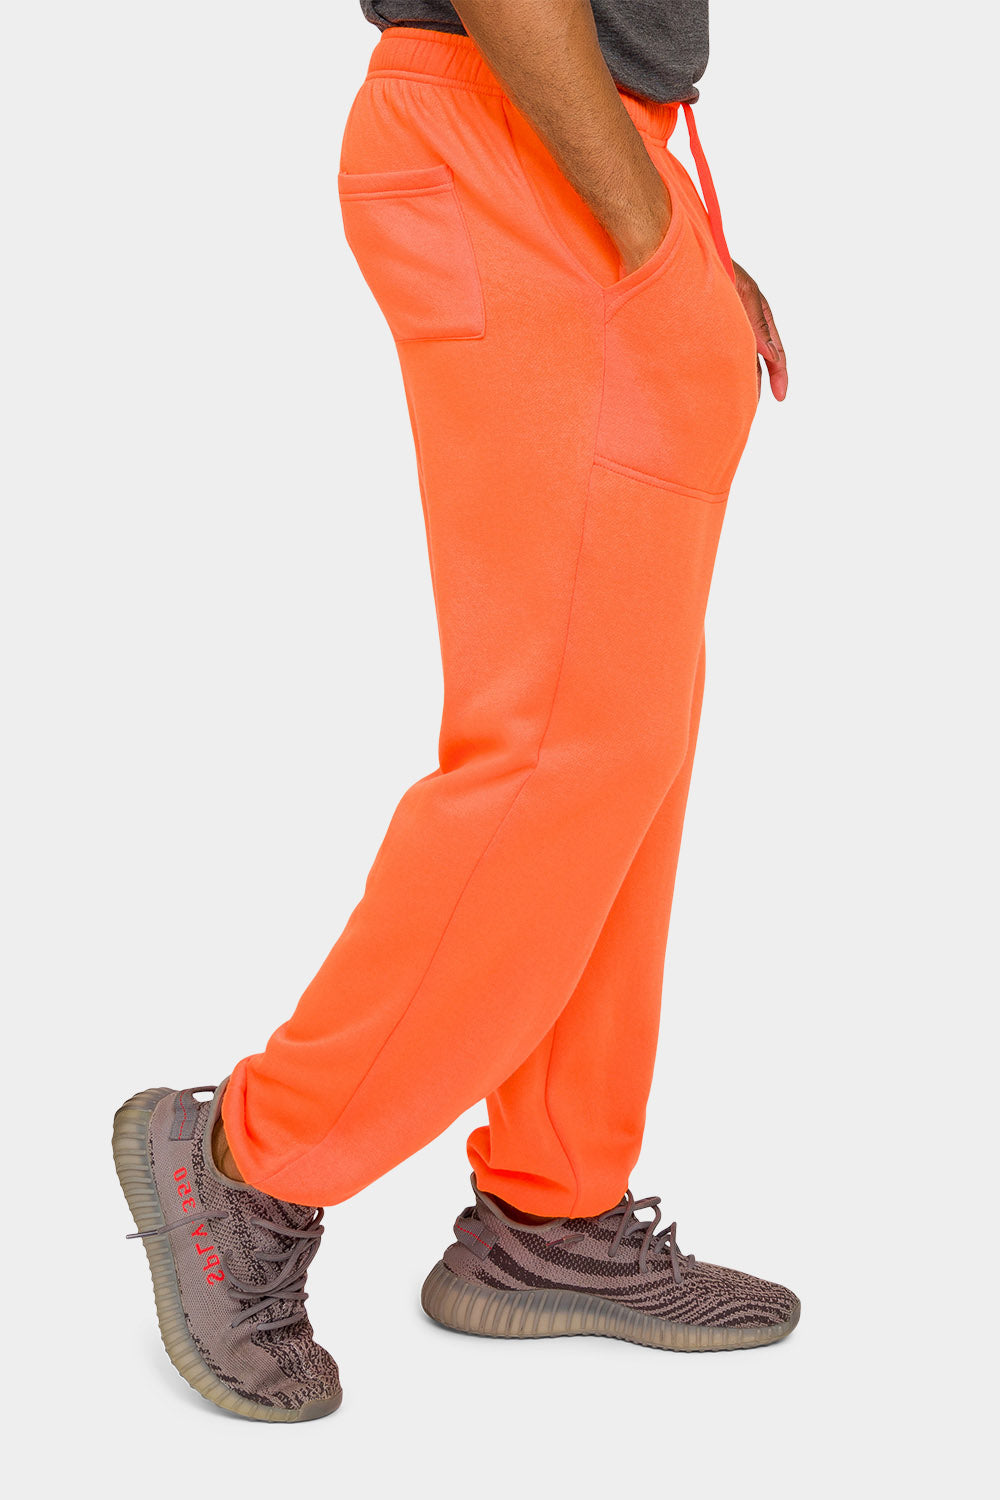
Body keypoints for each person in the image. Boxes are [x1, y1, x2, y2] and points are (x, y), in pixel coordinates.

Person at [113, 0, 796, 1424]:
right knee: (562, 742)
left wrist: (667, 223)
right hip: (519, 123)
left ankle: (556, 1203)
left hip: (579, 138)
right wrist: (645, 229)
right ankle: (247, 1159)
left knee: (626, 733)